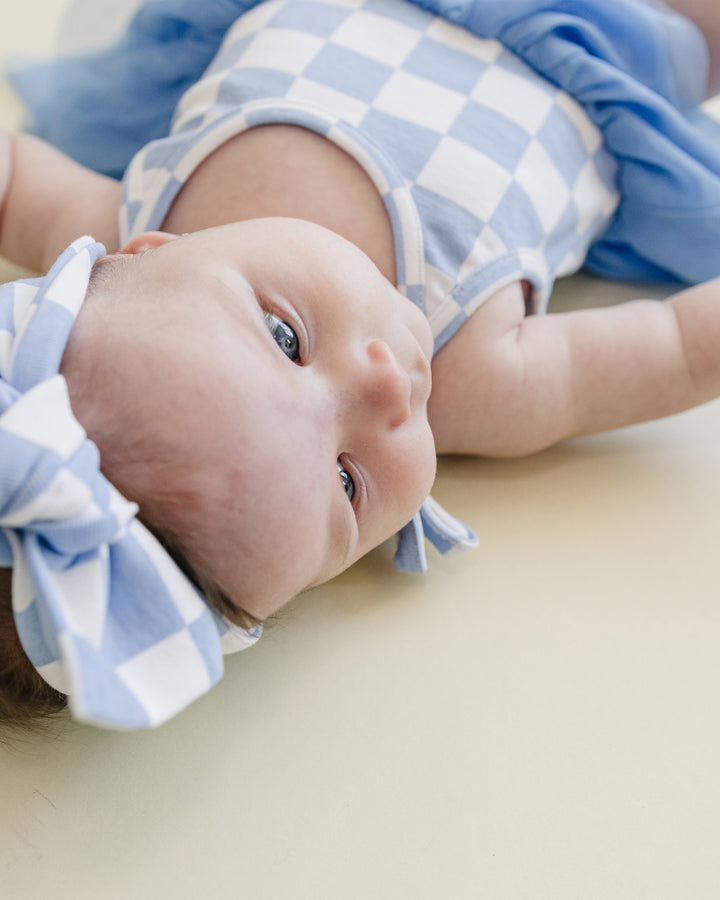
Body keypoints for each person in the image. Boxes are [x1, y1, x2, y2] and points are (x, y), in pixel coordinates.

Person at [1, 0, 720, 730]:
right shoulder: (478, 376)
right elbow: (682, 347)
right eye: (347, 482)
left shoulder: (133, 211)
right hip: (594, 43)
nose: (385, 387)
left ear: (149, 252)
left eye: (286, 340)